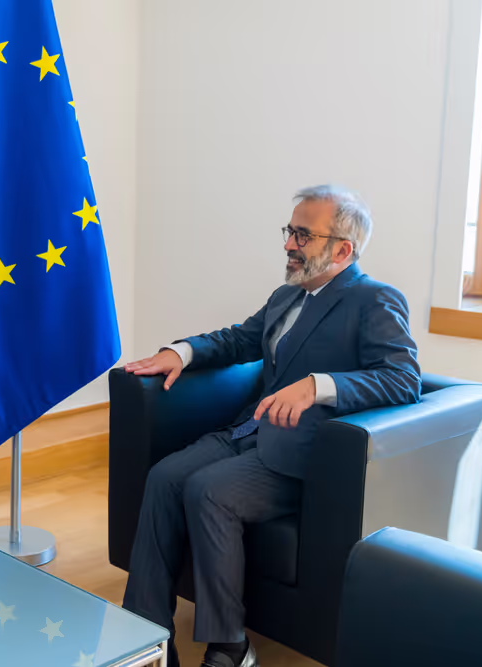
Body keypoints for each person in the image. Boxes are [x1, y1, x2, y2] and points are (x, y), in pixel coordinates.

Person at [121, 185, 420, 667]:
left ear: (343, 249)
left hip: (305, 453)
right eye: (290, 231)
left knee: (208, 490)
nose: (288, 244)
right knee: (164, 478)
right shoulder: (287, 295)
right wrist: (182, 351)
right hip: (249, 432)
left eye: (303, 234)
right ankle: (146, 636)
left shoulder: (375, 300)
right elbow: (241, 339)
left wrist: (319, 385)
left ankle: (230, 645)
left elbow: (403, 379)